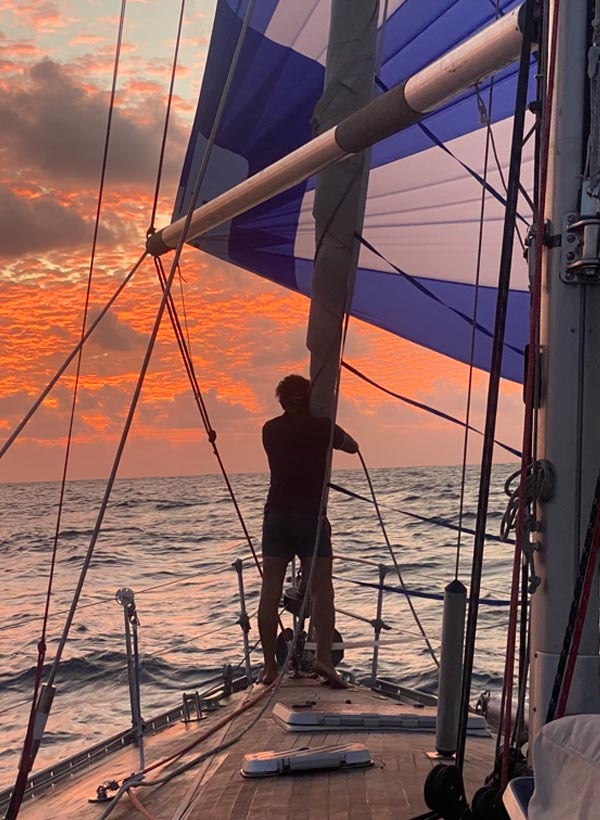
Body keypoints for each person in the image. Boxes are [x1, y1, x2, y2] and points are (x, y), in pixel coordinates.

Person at [258, 374, 359, 688]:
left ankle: (270, 670)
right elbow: (353, 447)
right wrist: (324, 419)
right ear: (309, 398)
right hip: (310, 519)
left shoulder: (270, 430)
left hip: (277, 516)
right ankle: (324, 661)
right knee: (321, 589)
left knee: (270, 589)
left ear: (281, 400)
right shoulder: (322, 428)